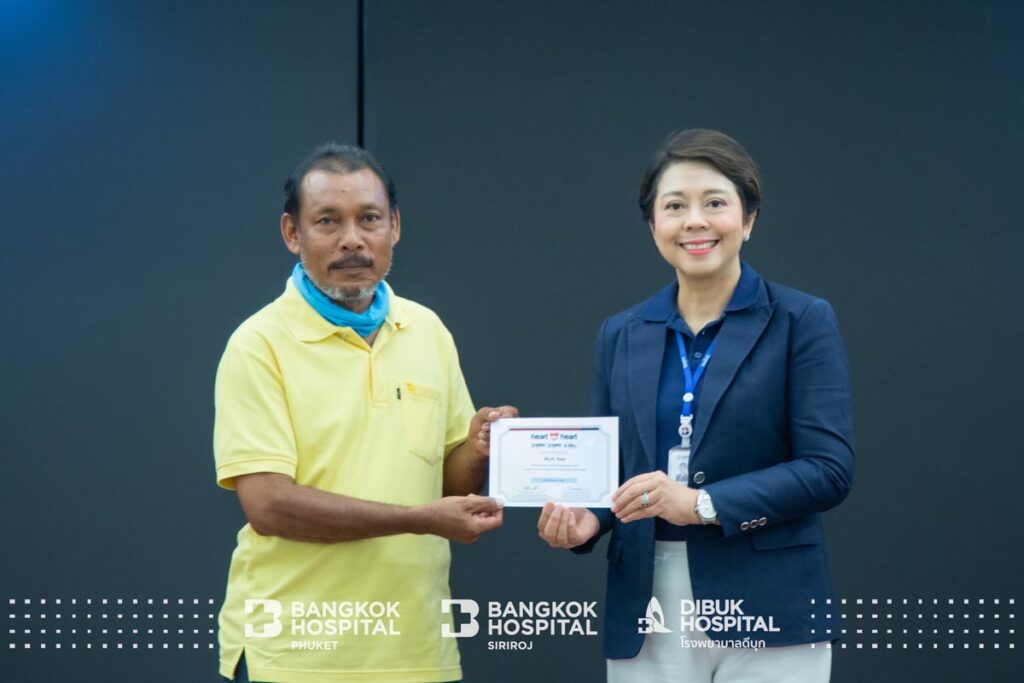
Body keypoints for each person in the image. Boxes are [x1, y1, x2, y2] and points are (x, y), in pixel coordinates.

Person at [538, 129, 853, 682]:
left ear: (748, 219)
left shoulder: (801, 320)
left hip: (769, 599)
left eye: (714, 203)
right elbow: (610, 469)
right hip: (645, 599)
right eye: (675, 206)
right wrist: (588, 518)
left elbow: (828, 470)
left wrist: (703, 503)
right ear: (653, 225)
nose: (695, 221)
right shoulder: (621, 333)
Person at [214, 142, 516, 683]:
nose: (352, 239)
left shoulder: (427, 330)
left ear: (394, 226)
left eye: (369, 219)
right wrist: (417, 520)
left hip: (419, 653)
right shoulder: (258, 344)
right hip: (295, 656)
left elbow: (448, 482)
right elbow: (269, 505)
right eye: (327, 221)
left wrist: (478, 446)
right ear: (292, 233)